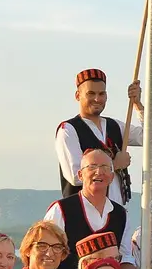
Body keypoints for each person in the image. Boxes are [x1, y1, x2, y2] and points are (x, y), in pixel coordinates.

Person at [44, 150, 137, 269]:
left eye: (105, 167)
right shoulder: (60, 210)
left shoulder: (121, 214)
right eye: (92, 167)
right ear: (80, 175)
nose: (99, 172)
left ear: (111, 177)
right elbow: (44, 255)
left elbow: (125, 260)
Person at [55, 68, 142, 205]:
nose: (97, 99)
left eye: (101, 94)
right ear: (78, 95)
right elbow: (75, 176)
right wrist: (114, 164)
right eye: (91, 93)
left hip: (115, 211)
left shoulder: (114, 126)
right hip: (84, 212)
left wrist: (138, 105)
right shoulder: (68, 130)